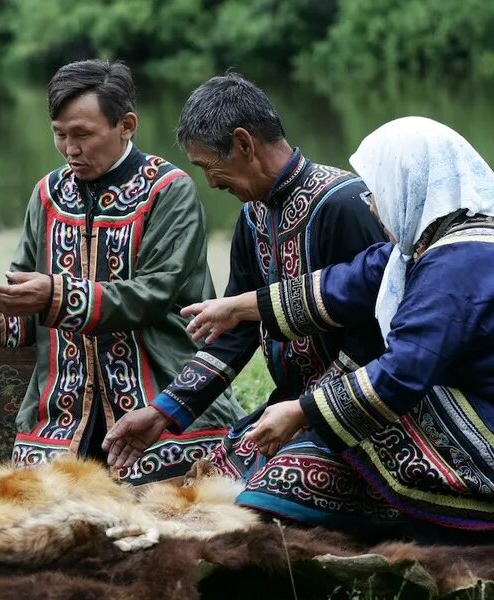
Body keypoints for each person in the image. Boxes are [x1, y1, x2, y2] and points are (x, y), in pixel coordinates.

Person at [152, 116, 494, 537]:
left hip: (482, 430)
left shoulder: (460, 261)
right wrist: (239, 308)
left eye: (378, 189)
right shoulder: (424, 249)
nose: (371, 203)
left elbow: (405, 369)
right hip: (450, 406)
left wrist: (303, 410)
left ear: (410, 184)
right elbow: (346, 281)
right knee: (249, 462)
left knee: (305, 465)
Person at [104, 73, 390, 524]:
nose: (210, 183)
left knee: (265, 497)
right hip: (290, 405)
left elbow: (379, 336)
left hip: (359, 413)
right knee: (203, 487)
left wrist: (308, 411)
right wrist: (163, 412)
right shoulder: (252, 217)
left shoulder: (346, 203)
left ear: (243, 143)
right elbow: (233, 329)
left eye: (206, 166)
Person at [0, 60, 245, 484]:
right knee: (37, 506)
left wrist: (56, 295)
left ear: (126, 125)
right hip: (62, 413)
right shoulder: (47, 194)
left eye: (83, 134)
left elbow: (154, 294)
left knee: (170, 501)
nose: (71, 149)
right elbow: (23, 293)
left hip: (159, 400)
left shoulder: (169, 190)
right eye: (59, 134)